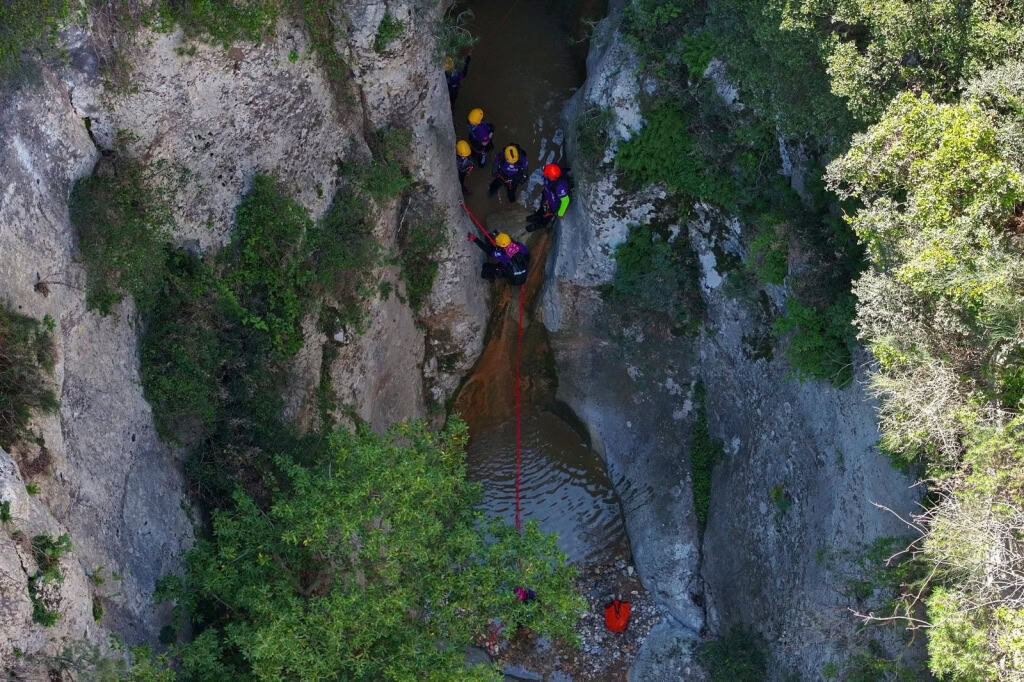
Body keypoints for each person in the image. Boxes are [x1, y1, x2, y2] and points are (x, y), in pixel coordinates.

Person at [526, 163, 572, 232]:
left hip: (553, 204)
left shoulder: (560, 186)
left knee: (547, 216)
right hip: (547, 196)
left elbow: (565, 201)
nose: (545, 175)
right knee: (542, 208)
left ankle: (540, 224)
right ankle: (537, 216)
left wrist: (560, 213)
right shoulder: (552, 172)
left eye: (547, 175)